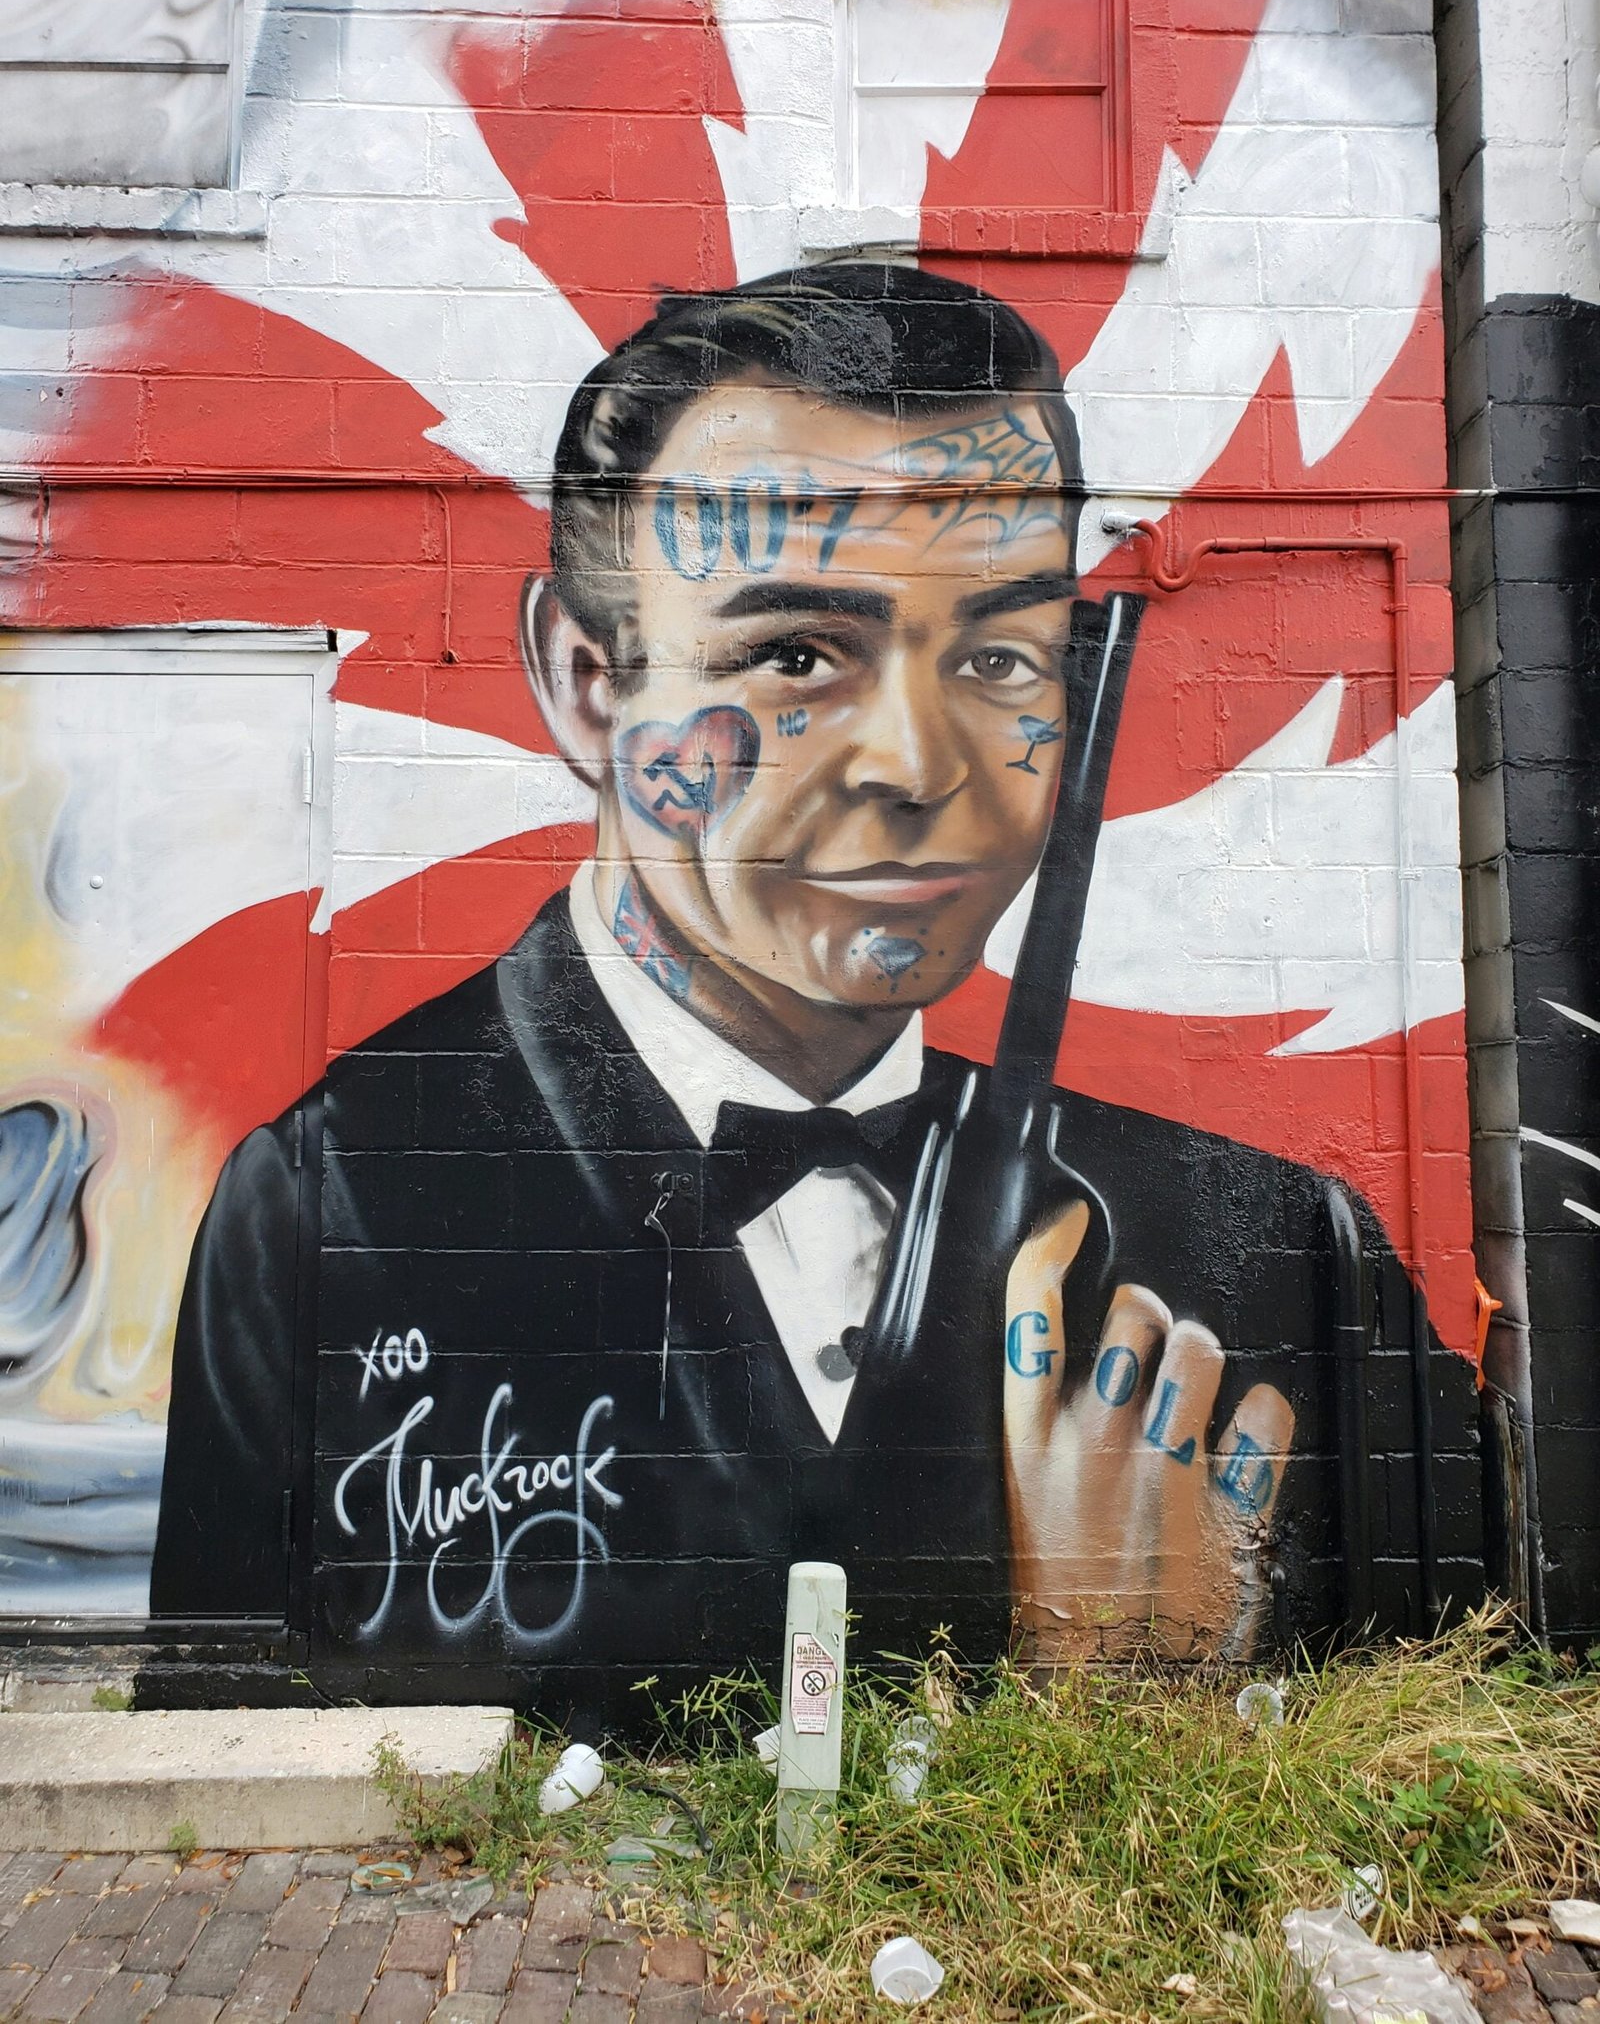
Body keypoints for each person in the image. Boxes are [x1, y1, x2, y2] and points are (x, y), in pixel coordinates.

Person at [152, 262, 1473, 1700]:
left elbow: (1453, 1701)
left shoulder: (1284, 1247)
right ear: (590, 680)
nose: (918, 763)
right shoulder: (332, 1206)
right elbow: (215, 1772)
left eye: (1000, 653)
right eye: (795, 652)